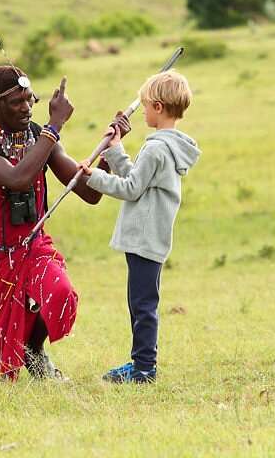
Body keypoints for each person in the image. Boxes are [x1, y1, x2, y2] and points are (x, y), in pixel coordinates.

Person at [0, 66, 125, 380]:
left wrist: (109, 152)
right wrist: (54, 126)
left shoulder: (38, 137)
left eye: (30, 100)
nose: (27, 108)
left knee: (60, 295)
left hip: (32, 245)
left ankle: (34, 349)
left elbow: (87, 192)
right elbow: (17, 179)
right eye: (17, 101)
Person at [77, 70, 200, 384]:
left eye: (146, 106)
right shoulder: (166, 146)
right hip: (151, 237)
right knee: (141, 303)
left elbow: (131, 188)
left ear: (158, 107)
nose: (143, 111)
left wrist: (92, 176)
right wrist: (115, 151)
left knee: (143, 305)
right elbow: (140, 180)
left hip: (145, 238)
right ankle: (141, 363)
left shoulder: (157, 148)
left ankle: (144, 369)